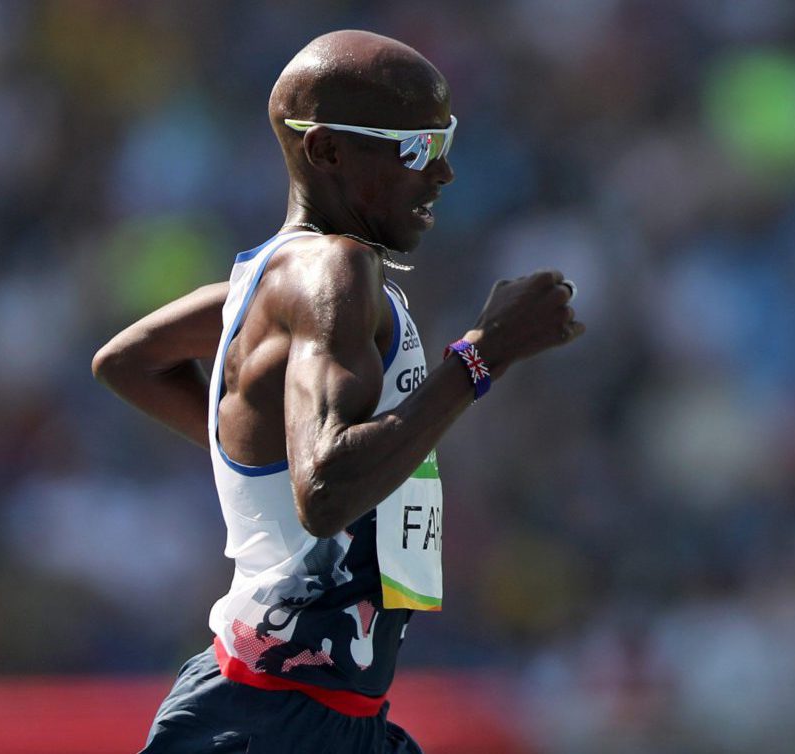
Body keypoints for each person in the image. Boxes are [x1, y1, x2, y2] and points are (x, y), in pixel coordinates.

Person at [92, 30, 584, 753]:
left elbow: (127, 360)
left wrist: (267, 455)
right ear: (325, 151)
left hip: (320, 714)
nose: (442, 173)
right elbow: (325, 494)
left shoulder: (273, 280)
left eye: (443, 141)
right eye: (416, 148)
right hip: (272, 719)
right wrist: (481, 356)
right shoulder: (334, 270)